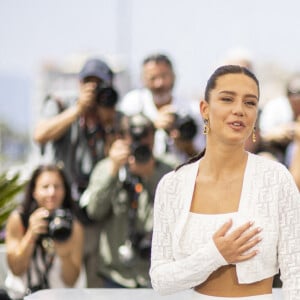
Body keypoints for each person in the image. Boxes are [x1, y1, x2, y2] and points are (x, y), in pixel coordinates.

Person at [150, 65, 300, 299]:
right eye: (227, 99)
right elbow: (160, 280)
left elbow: (296, 274)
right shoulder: (172, 185)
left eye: (250, 103)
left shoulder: (276, 179)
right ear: (204, 109)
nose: (239, 110)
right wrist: (215, 255)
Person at [33, 57, 122, 287]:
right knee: (60, 283)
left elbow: (117, 157)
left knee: (95, 286)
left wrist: (108, 122)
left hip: (95, 211)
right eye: (88, 83)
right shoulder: (61, 103)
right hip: (63, 207)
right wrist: (78, 110)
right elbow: (40, 134)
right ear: (79, 84)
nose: (93, 90)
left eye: (99, 84)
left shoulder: (111, 112)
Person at [80, 113, 173, 288]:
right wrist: (113, 170)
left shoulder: (169, 168)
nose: (141, 141)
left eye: (146, 134)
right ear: (121, 137)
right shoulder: (106, 167)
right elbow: (94, 211)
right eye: (134, 135)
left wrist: (151, 174)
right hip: (115, 276)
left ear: (154, 136)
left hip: (157, 277)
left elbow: (179, 210)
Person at [4, 164, 84, 300]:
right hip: (22, 296)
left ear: (64, 191)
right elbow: (16, 270)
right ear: (34, 191)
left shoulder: (73, 226)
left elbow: (71, 281)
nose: (52, 193)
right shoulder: (19, 219)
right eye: (45, 187)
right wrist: (30, 235)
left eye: (57, 186)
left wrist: (64, 253)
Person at [118, 53, 204, 166]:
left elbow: (204, 157)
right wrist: (152, 126)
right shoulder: (132, 103)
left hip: (182, 174)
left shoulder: (192, 110)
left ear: (174, 76)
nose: (159, 83)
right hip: (143, 172)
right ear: (142, 80)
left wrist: (186, 145)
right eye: (152, 78)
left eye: (164, 76)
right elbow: (121, 140)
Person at [259, 72, 300, 163]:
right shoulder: (276, 107)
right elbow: (259, 135)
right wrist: (275, 133)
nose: (296, 97)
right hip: (275, 150)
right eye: (293, 93)